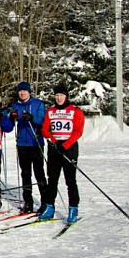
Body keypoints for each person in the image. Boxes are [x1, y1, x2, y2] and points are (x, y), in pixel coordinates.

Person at [39, 84, 85, 223]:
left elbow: (78, 131)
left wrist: (65, 144)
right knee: (52, 180)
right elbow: (45, 130)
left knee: (70, 180)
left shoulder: (75, 111)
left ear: (66, 96)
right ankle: (49, 207)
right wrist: (55, 141)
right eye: (57, 95)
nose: (59, 98)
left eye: (61, 95)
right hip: (54, 149)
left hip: (69, 149)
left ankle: (73, 208)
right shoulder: (51, 111)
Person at [9, 81, 48, 214]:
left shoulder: (38, 104)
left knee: (39, 173)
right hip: (22, 144)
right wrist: (12, 117)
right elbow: (10, 124)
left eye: (24, 91)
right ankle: (28, 202)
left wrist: (32, 118)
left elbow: (44, 121)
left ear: (29, 92)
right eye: (20, 91)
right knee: (25, 174)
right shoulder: (16, 105)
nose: (22, 93)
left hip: (35, 142)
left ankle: (45, 202)